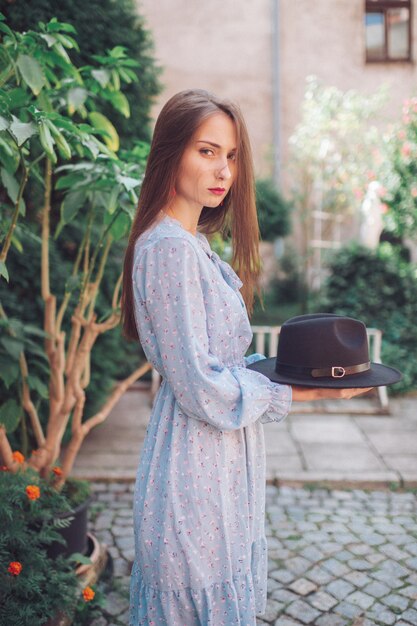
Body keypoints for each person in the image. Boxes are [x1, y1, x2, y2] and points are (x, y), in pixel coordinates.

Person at [121, 89, 370, 626]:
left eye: (231, 156)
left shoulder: (193, 244)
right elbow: (199, 385)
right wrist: (295, 390)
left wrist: (306, 372)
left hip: (222, 455)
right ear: (170, 152)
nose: (224, 170)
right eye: (207, 151)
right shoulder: (168, 249)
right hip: (193, 460)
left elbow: (221, 362)